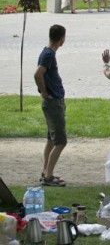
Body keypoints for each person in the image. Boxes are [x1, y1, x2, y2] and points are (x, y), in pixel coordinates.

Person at [34, 24, 68, 186]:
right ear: (62, 38)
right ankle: (49, 176)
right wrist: (44, 91)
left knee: (51, 139)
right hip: (53, 102)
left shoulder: (47, 53)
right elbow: (38, 74)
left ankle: (45, 171)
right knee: (61, 141)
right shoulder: (48, 54)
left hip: (53, 101)